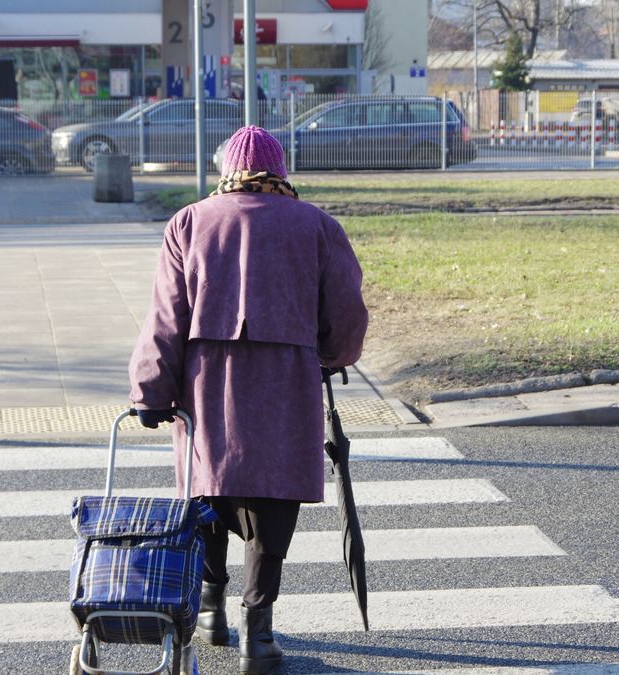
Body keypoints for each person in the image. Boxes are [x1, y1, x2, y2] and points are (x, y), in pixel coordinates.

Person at [128, 125, 367, 674]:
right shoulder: (317, 226)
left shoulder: (188, 222)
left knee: (208, 489)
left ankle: (210, 609)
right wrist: (331, 355)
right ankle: (257, 633)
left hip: (206, 381)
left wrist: (151, 390)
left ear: (226, 172)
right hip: (287, 381)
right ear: (281, 172)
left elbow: (166, 316)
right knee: (273, 497)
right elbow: (347, 312)